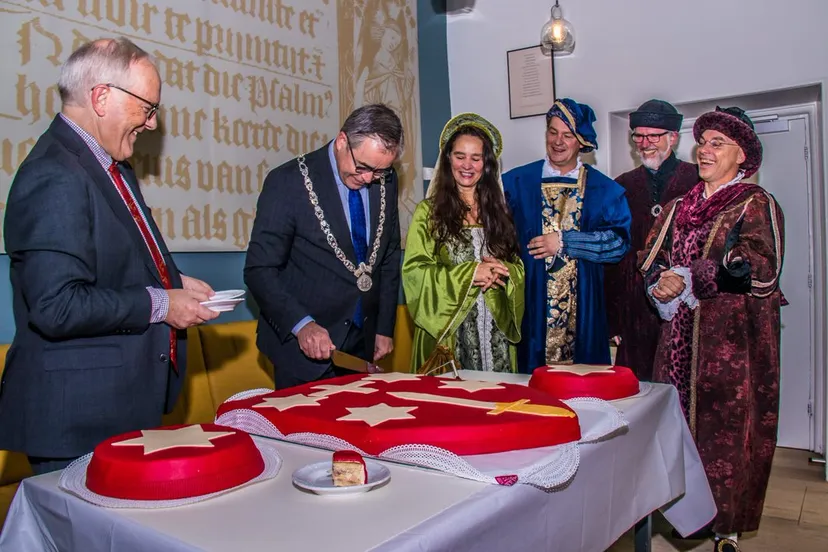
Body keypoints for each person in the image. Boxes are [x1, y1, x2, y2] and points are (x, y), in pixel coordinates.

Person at [0, 38, 219, 474]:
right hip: (76, 419)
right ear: (101, 97)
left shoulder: (108, 166)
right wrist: (162, 304)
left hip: (117, 408)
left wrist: (175, 282)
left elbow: (115, 264)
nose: (152, 124)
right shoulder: (55, 173)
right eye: (147, 108)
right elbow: (55, 306)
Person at [639, 107, 784, 552]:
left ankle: (725, 526)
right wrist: (659, 279)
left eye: (717, 143)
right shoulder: (681, 205)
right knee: (674, 427)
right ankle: (680, 516)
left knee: (726, 433)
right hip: (678, 339)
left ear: (743, 156)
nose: (705, 150)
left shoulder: (754, 203)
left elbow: (761, 268)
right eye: (703, 142)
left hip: (731, 347)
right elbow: (652, 255)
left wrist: (696, 273)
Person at [245, 104, 403, 389]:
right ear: (342, 141)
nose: (369, 179)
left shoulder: (386, 182)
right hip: (302, 346)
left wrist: (383, 327)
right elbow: (260, 270)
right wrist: (301, 324)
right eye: (364, 167)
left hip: (361, 342)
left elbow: (389, 257)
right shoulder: (288, 181)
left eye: (380, 172)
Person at [502, 98, 631, 372]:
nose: (558, 141)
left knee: (584, 394)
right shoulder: (515, 183)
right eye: (552, 132)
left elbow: (618, 244)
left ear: (582, 141)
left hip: (584, 309)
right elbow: (497, 236)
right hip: (532, 309)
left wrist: (565, 241)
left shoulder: (605, 190)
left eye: (567, 135)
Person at [402, 113, 524, 373]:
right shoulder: (429, 212)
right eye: (460, 156)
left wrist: (504, 270)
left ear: (486, 164)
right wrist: (471, 273)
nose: (467, 165)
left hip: (496, 333)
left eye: (476, 158)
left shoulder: (500, 212)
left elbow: (517, 265)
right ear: (448, 159)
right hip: (448, 333)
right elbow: (415, 274)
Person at [604, 99, 698, 380]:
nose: (644, 143)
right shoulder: (621, 185)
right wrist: (613, 321)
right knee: (637, 394)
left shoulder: (696, 180)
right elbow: (613, 256)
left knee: (680, 390)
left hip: (683, 306)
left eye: (653, 136)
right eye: (638, 136)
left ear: (673, 137)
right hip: (634, 310)